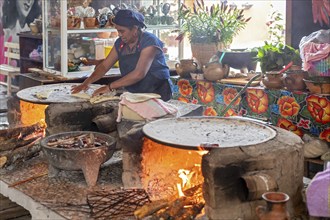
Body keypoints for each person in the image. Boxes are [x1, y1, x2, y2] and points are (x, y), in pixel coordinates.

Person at [72, 9, 172, 101]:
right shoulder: (120, 43)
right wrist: (86, 83)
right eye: (117, 30)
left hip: (158, 92)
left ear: (135, 29)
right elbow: (104, 66)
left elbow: (139, 74)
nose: (119, 34)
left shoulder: (149, 41)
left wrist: (109, 87)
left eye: (122, 31)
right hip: (136, 92)